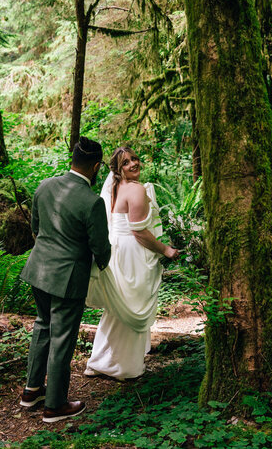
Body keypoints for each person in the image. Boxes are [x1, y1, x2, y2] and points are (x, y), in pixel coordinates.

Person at [18, 137, 111, 423]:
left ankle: (31, 391)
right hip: (68, 278)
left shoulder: (45, 186)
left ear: (72, 160)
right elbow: (100, 248)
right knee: (61, 338)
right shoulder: (92, 202)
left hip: (38, 270)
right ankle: (55, 405)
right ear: (96, 167)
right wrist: (105, 264)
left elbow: (35, 227)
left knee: (42, 326)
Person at [84, 146, 180, 381]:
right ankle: (125, 368)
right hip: (131, 252)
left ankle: (98, 361)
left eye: (135, 159)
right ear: (118, 169)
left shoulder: (116, 188)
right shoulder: (136, 190)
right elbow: (140, 232)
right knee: (131, 306)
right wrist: (166, 250)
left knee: (117, 308)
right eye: (126, 162)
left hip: (116, 249)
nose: (133, 164)